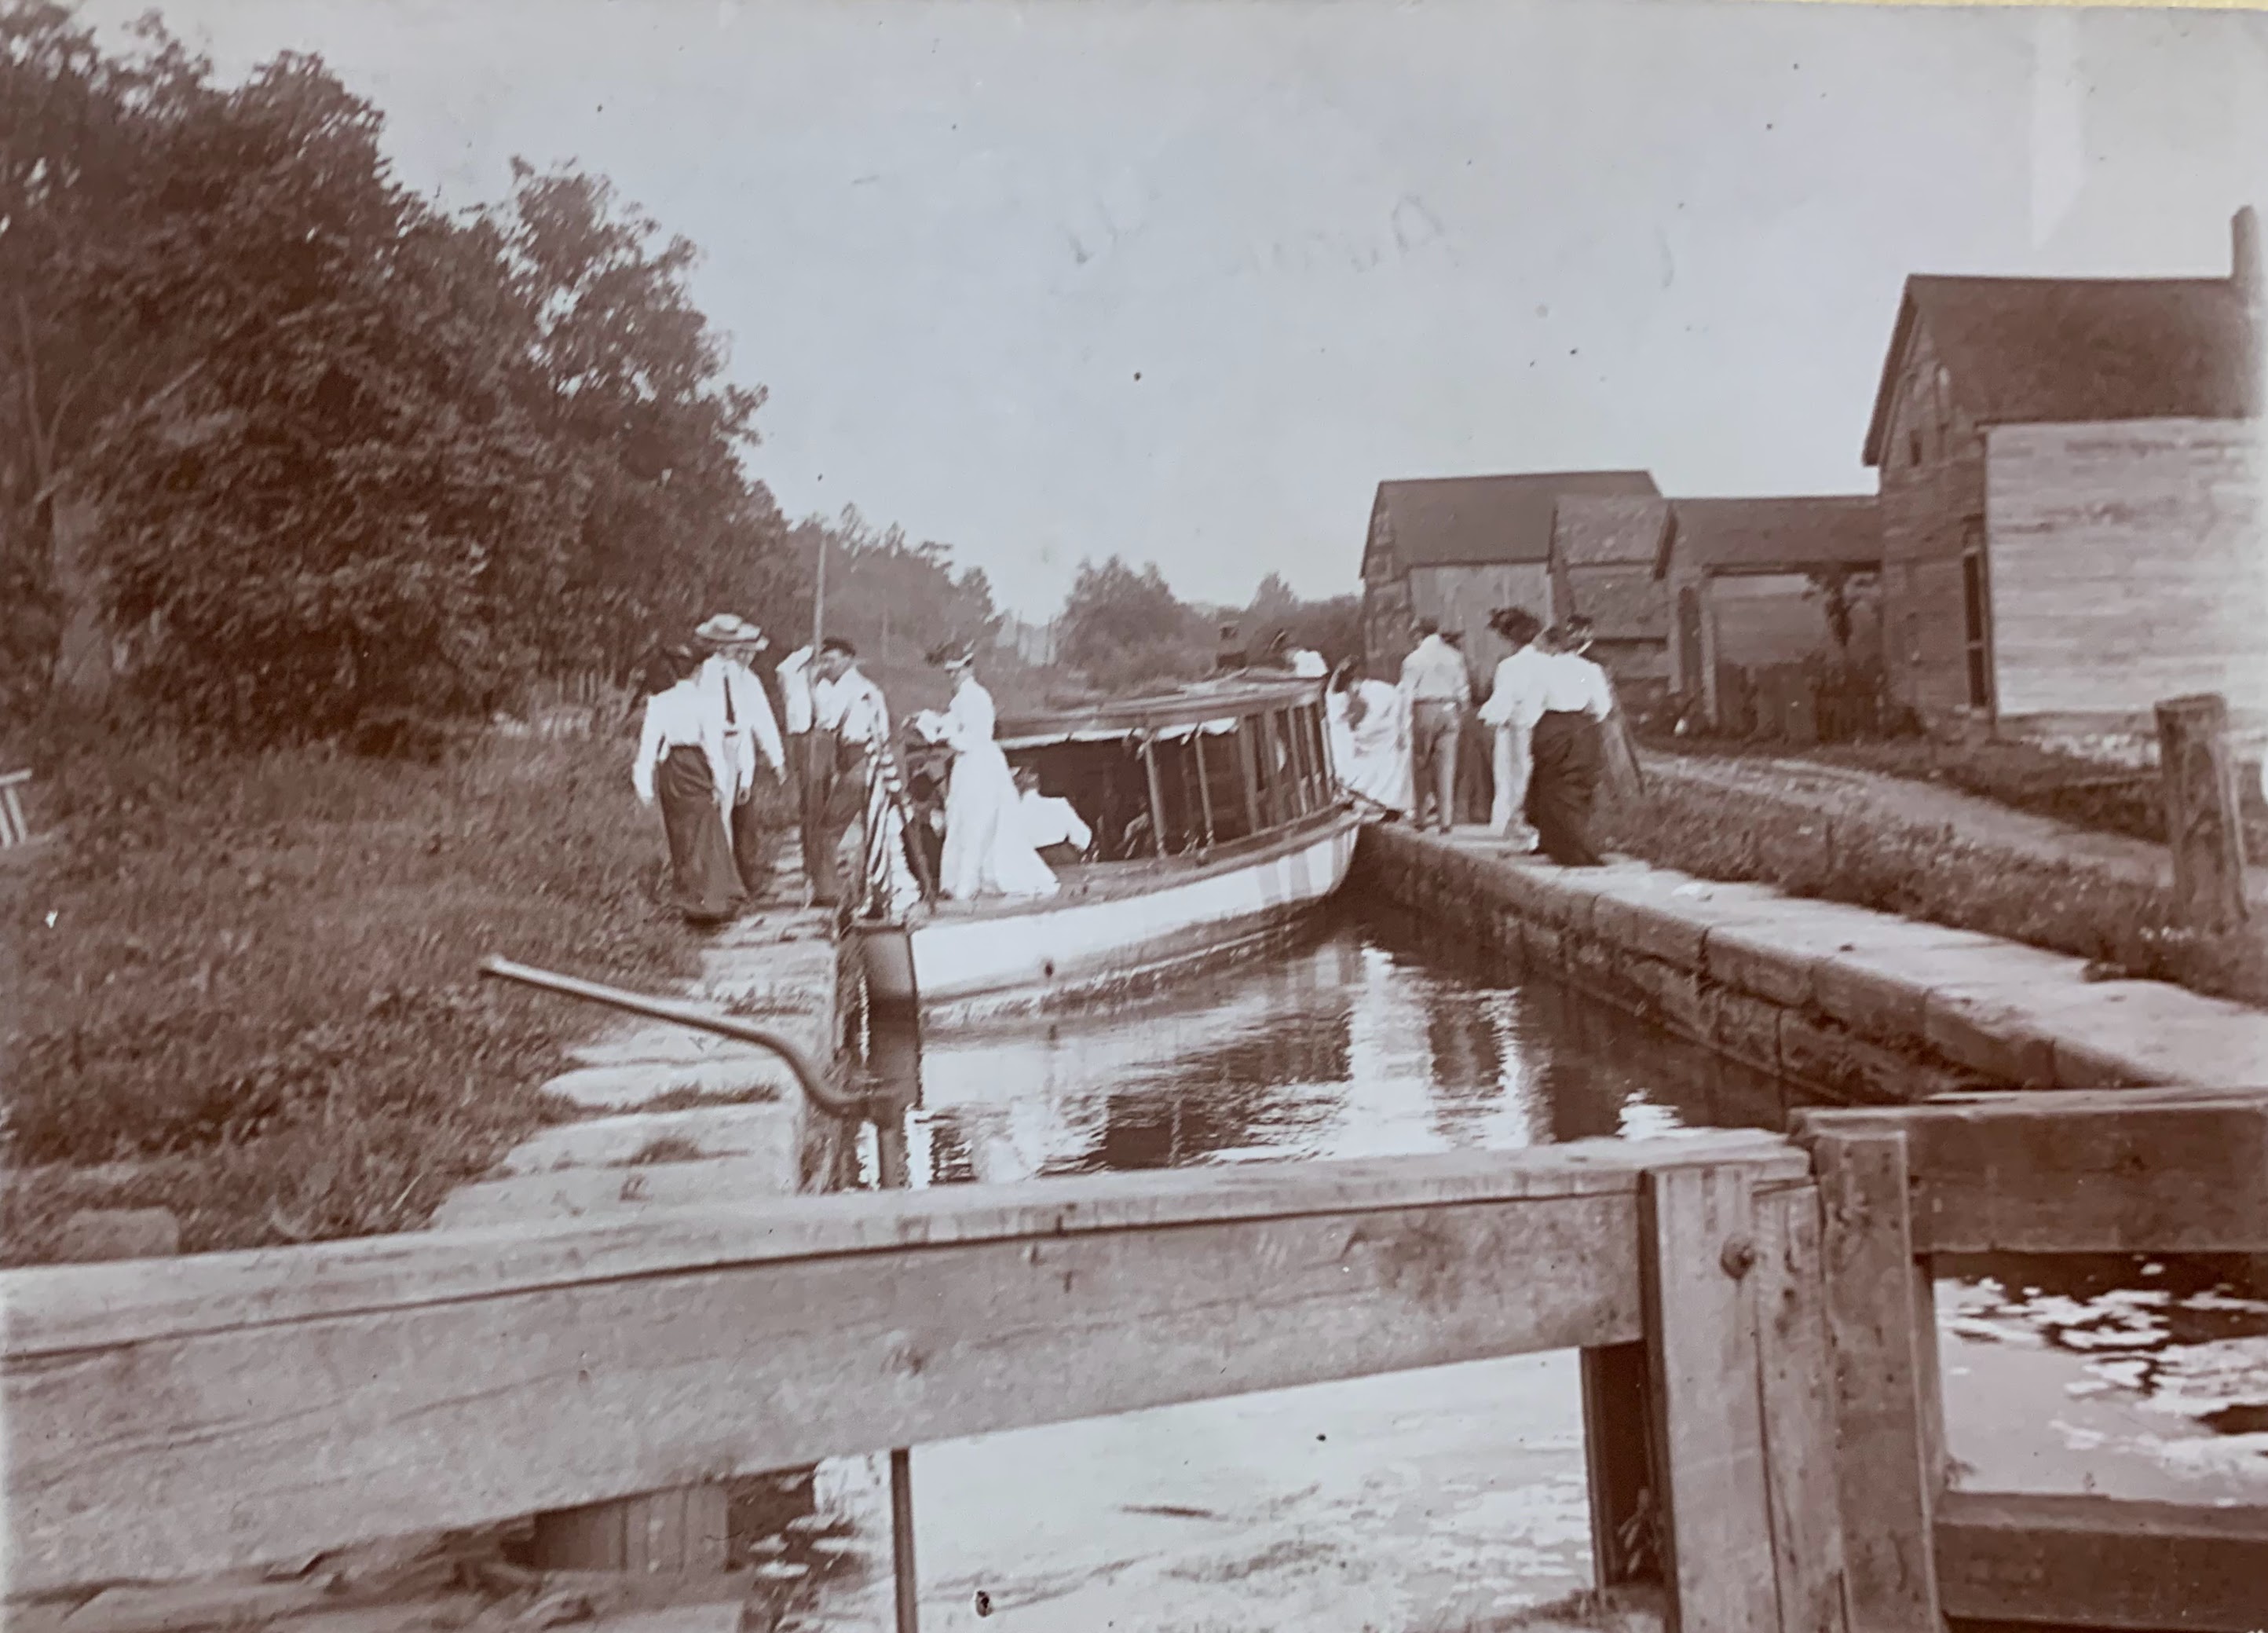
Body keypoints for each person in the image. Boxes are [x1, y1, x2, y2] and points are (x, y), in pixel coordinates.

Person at [924, 646, 1059, 901]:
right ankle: (959, 883)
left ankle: (966, 885)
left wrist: (943, 734)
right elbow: (953, 725)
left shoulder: (975, 697)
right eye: (949, 673)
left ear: (969, 669)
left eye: (956, 671)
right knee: (961, 820)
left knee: (977, 822)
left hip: (980, 765)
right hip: (967, 766)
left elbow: (974, 737)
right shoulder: (960, 699)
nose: (952, 677)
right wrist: (931, 722)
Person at [810, 637, 922, 921]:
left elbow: (827, 722)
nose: (827, 666)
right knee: (875, 830)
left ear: (849, 659)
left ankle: (829, 893)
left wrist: (815, 689)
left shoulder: (843, 689)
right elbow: (883, 730)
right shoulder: (870, 689)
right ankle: (870, 890)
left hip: (857, 763)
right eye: (824, 661)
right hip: (872, 763)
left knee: (828, 829)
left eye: (832, 660)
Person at [631, 644, 742, 924]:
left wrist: (643, 784)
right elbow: (713, 746)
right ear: (697, 671)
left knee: (681, 834)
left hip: (671, 771)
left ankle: (691, 900)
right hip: (695, 765)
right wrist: (720, 781)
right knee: (706, 832)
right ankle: (710, 903)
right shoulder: (705, 701)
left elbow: (647, 747)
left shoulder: (660, 701)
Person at [694, 613, 786, 901]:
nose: (738, 652)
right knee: (716, 818)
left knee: (739, 817)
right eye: (733, 646)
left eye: (741, 647)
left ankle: (740, 883)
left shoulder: (745, 679)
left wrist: (774, 760)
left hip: (737, 747)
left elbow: (757, 721)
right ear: (717, 646)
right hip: (710, 748)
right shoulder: (702, 675)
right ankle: (717, 887)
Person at [1525, 624, 1617, 866]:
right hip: (1583, 728)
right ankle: (1581, 845)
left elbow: (1531, 708)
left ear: (1552, 646)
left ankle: (1562, 847)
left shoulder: (1542, 670)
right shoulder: (1591, 669)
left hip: (1552, 726)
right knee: (1578, 785)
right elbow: (1603, 707)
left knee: (1552, 787)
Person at [1477, 606, 1550, 851]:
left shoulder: (1509, 666)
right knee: (1539, 773)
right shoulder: (1547, 662)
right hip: (1545, 723)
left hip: (1518, 724)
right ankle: (1537, 823)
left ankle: (1518, 821)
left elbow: (1503, 699)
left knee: (1516, 773)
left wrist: (1488, 717)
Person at [1398, 618, 1469, 833]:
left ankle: (1420, 817)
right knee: (1447, 765)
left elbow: (1406, 694)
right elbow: (1463, 689)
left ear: (1419, 633)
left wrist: (1402, 726)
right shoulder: (1454, 657)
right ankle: (1445, 820)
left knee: (1421, 763)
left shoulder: (1413, 659)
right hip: (1449, 708)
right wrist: (1461, 712)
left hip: (1424, 709)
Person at [775, 643, 832, 907]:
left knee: (821, 807)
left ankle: (821, 873)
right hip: (802, 742)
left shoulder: (824, 687)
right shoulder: (792, 679)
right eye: (815, 662)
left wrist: (816, 684)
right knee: (809, 806)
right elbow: (783, 667)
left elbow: (828, 718)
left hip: (821, 742)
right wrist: (812, 647)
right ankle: (811, 871)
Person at [1332, 658, 1412, 815]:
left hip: (1393, 730)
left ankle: (1391, 804)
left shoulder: (1377, 691)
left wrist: (1360, 730)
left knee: (1382, 763)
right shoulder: (1363, 693)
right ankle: (1377, 800)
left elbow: (1377, 718)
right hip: (1385, 731)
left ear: (1355, 682)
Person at [1013, 764, 1094, 866]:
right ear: (1037, 785)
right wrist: (1076, 851)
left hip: (1031, 861)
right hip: (1063, 856)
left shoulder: (1013, 812)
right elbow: (1083, 833)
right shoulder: (1059, 804)